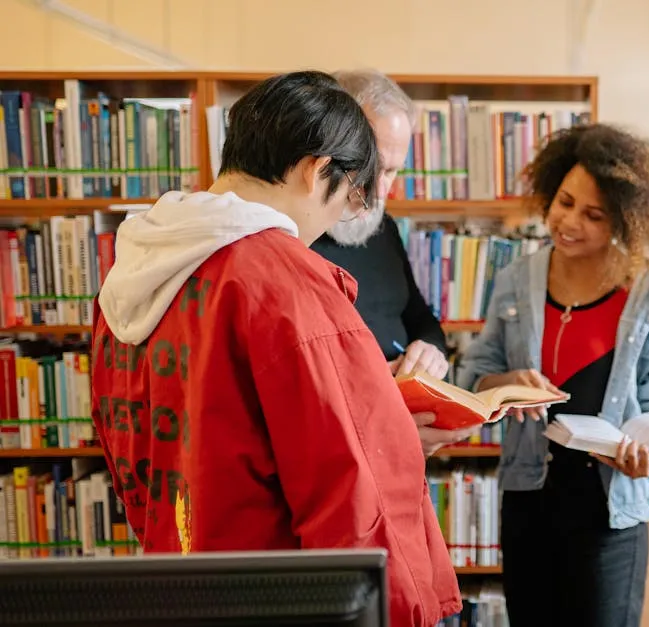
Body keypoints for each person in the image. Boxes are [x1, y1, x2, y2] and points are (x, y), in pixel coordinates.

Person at [90, 71, 461, 625]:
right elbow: (352, 489)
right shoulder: (287, 282)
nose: (338, 219)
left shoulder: (133, 268)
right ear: (317, 172)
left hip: (179, 575)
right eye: (349, 197)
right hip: (283, 593)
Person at [460, 123, 649, 627]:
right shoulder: (514, 279)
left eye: (593, 215)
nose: (568, 222)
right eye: (564, 202)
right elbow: (476, 371)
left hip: (610, 511)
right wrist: (500, 385)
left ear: (626, 222)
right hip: (528, 496)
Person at [310, 68, 475, 456]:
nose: (380, 191)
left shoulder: (382, 228)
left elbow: (421, 318)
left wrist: (430, 351)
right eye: (371, 166)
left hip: (398, 439)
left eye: (393, 170)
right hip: (344, 446)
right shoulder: (291, 241)